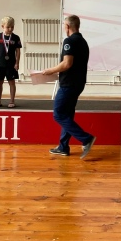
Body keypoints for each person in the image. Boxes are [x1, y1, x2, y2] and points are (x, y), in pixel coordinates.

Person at [43, 15, 96, 159]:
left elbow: (67, 63)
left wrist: (50, 71)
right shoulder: (83, 42)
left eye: (63, 25)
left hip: (68, 84)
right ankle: (63, 147)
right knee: (67, 114)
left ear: (67, 26)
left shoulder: (69, 41)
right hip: (78, 83)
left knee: (58, 114)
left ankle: (86, 138)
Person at [0, 16, 22, 108]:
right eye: (8, 27)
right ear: (2, 26)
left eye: (12, 27)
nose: (10, 29)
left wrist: (17, 63)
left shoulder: (16, 37)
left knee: (12, 83)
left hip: (11, 65)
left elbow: (18, 51)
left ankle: (12, 101)